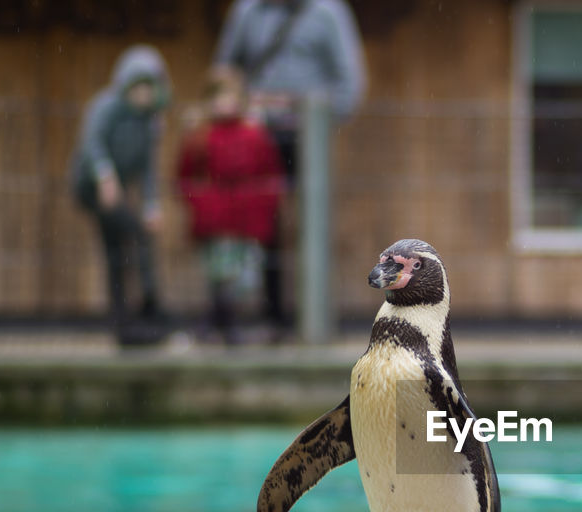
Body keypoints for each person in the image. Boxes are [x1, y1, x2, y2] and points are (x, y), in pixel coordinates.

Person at [213, 0, 367, 338]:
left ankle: (313, 320)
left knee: (311, 226)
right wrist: (244, 107)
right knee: (258, 223)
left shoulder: (328, 13)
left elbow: (350, 84)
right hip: (255, 137)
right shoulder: (247, 12)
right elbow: (224, 72)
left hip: (307, 139)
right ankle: (267, 316)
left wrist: (313, 115)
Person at [70, 45, 171, 346]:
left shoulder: (149, 121)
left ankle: (125, 317)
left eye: (148, 88)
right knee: (130, 238)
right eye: (137, 87)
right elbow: (92, 143)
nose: (142, 95)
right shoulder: (105, 107)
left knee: (119, 246)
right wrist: (105, 175)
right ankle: (139, 309)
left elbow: (149, 168)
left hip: (116, 190)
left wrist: (152, 204)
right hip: (92, 186)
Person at [177, 68, 285, 344]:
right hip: (215, 219)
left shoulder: (253, 136)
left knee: (243, 277)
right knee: (220, 274)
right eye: (218, 97)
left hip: (247, 220)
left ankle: (215, 322)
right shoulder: (201, 136)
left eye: (229, 96)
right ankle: (224, 326)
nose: (223, 103)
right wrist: (202, 203)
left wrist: (260, 206)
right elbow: (184, 176)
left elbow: (269, 175)